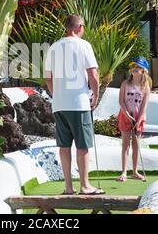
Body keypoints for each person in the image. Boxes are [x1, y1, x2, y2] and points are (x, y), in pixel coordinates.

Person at [44, 14, 105, 195]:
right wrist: (95, 94)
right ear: (78, 27)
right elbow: (93, 75)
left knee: (64, 146)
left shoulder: (53, 47)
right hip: (79, 103)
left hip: (59, 105)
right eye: (83, 27)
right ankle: (85, 186)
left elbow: (48, 78)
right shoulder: (84, 45)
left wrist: (58, 94)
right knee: (82, 145)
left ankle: (68, 187)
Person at [116, 56, 152, 182]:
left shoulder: (145, 87)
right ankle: (124, 172)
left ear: (143, 71)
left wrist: (138, 119)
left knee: (136, 145)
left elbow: (144, 106)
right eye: (133, 67)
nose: (135, 69)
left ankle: (135, 171)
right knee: (125, 145)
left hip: (138, 118)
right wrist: (128, 116)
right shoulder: (125, 84)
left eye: (138, 67)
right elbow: (121, 102)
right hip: (126, 116)